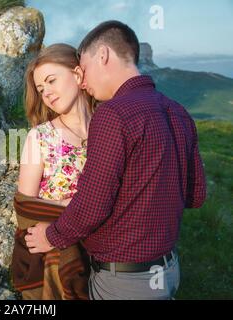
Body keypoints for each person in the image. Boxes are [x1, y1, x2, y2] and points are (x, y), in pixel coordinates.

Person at [25, 21, 207, 300]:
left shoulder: (114, 115)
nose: (83, 80)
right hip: (168, 270)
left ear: (104, 56)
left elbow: (93, 205)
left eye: (83, 69)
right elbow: (196, 196)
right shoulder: (179, 111)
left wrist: (51, 236)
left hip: (126, 280)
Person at [11, 43, 95, 300]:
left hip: (107, 254)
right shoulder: (40, 137)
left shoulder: (109, 128)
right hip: (59, 260)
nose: (46, 92)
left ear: (78, 74)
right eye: (40, 88)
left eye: (51, 81)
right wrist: (70, 209)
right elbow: (26, 209)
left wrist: (67, 205)